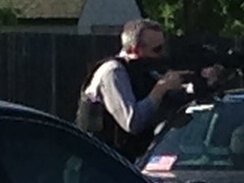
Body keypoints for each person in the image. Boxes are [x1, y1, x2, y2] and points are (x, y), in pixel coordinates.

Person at [76, 18, 190, 161]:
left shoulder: (143, 72)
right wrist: (160, 89)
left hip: (125, 164)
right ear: (134, 50)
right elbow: (132, 122)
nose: (162, 55)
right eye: (157, 49)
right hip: (98, 165)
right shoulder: (113, 72)